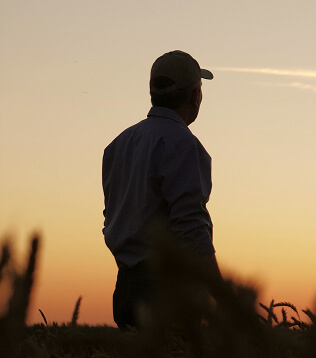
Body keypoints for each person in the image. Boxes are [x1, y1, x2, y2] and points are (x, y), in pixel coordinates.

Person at [102, 50, 220, 330]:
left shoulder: (118, 146)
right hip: (168, 294)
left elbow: (111, 219)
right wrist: (224, 297)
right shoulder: (183, 145)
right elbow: (191, 230)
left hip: (125, 291)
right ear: (195, 96)